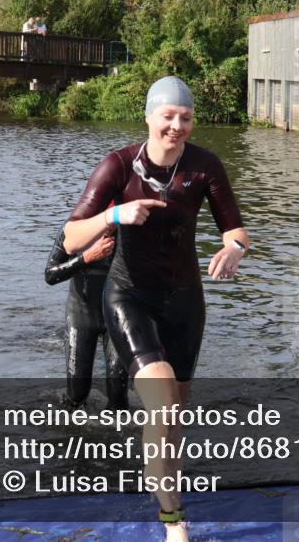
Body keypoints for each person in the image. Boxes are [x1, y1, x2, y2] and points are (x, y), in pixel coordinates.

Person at [63, 76, 249, 542]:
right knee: (163, 403)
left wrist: (234, 251)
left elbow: (235, 229)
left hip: (185, 301)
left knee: (174, 417)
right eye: (167, 116)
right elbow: (70, 237)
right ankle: (173, 521)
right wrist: (113, 215)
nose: (176, 125)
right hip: (129, 296)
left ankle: (163, 481)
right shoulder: (118, 166)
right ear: (149, 116)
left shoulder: (205, 166)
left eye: (185, 118)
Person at [44, 223, 128, 410]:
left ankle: (119, 437)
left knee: (118, 395)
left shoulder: (131, 230)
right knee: (77, 395)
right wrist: (86, 258)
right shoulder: (75, 229)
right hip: (81, 315)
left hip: (118, 316)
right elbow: (50, 275)